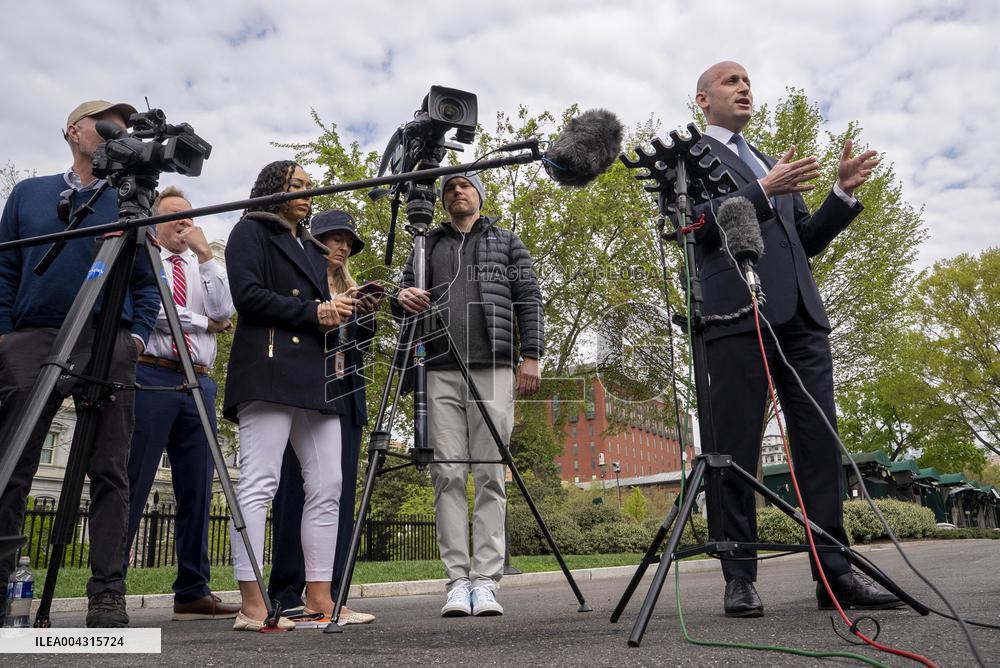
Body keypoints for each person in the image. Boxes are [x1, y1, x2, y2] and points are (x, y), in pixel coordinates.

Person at [690, 61, 900, 616]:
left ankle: (835, 574)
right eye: (731, 81)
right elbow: (695, 225)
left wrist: (840, 194)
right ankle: (739, 576)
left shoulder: (768, 158)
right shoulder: (691, 156)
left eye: (748, 81)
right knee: (735, 448)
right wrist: (762, 190)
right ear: (703, 99)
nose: (744, 87)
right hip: (738, 314)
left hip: (803, 316)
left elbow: (804, 240)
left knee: (819, 443)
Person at [0, 100, 160, 627]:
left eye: (127, 127)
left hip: (107, 336)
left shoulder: (131, 199)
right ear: (73, 131)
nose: (121, 133)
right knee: (12, 463)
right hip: (33, 338)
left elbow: (146, 280)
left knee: (110, 468)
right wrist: (5, 336)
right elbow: (4, 266)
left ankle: (107, 593)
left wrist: (136, 336)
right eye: (108, 124)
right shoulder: (30, 193)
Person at [394, 172, 543, 617]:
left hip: (493, 367)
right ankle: (458, 581)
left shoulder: (506, 241)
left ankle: (486, 581)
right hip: (437, 370)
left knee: (491, 475)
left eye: (464, 186)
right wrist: (402, 297)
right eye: (449, 188)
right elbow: (400, 299)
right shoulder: (426, 245)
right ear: (442, 201)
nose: (456, 192)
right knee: (447, 475)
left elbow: (529, 298)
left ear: (479, 194)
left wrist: (532, 355)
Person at [223, 160, 353, 632]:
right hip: (270, 368)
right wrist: (314, 311)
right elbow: (248, 296)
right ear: (272, 188)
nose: (305, 194)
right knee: (259, 483)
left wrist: (344, 308)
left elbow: (318, 308)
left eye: (309, 187)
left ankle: (319, 598)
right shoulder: (250, 231)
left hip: (315, 375)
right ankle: (252, 602)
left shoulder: (311, 246)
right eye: (295, 185)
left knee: (328, 484)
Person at [123, 185, 239, 621]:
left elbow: (226, 310)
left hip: (199, 382)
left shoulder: (201, 265)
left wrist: (206, 255)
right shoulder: (144, 258)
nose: (182, 223)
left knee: (197, 487)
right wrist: (203, 322)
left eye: (188, 217)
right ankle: (111, 583)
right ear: (156, 223)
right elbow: (150, 310)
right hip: (151, 374)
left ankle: (192, 589)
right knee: (134, 479)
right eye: (173, 216)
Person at [268, 209, 379, 627]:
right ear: (315, 241)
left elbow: (358, 348)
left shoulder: (352, 288)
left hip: (346, 398)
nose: (343, 247)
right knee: (293, 492)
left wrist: (366, 316)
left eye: (348, 242)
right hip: (303, 395)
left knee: (338, 494)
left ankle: (330, 592)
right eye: (335, 238)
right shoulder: (298, 282)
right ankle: (285, 591)